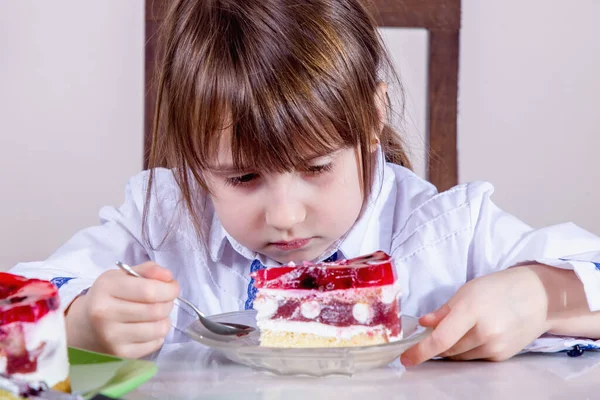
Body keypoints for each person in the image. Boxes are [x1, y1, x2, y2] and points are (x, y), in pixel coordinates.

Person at [11, 0, 600, 365]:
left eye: (317, 168)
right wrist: (80, 324)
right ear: (191, 158)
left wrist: (539, 296)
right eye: (242, 177)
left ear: (371, 120)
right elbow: (13, 309)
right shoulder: (160, 224)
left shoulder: (446, 233)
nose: (286, 214)